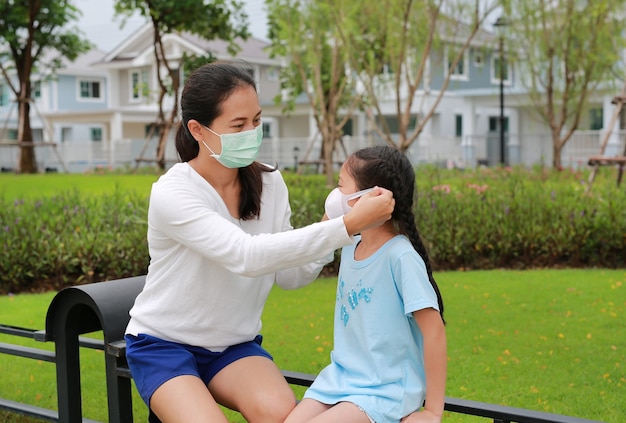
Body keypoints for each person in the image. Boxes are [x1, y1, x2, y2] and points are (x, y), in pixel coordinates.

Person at [123, 61, 395, 423]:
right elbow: (246, 257)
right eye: (238, 125)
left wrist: (333, 221)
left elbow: (290, 275)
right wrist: (345, 226)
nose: (251, 132)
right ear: (197, 130)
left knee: (284, 416)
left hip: (233, 346)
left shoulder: (270, 183)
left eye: (256, 120)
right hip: (163, 344)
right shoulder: (174, 193)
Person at [284, 146, 447, 423]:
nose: (335, 195)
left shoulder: (401, 256)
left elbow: (434, 332)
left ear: (370, 197)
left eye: (340, 186)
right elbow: (315, 240)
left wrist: (432, 411)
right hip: (341, 378)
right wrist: (338, 216)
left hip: (384, 389)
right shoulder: (350, 244)